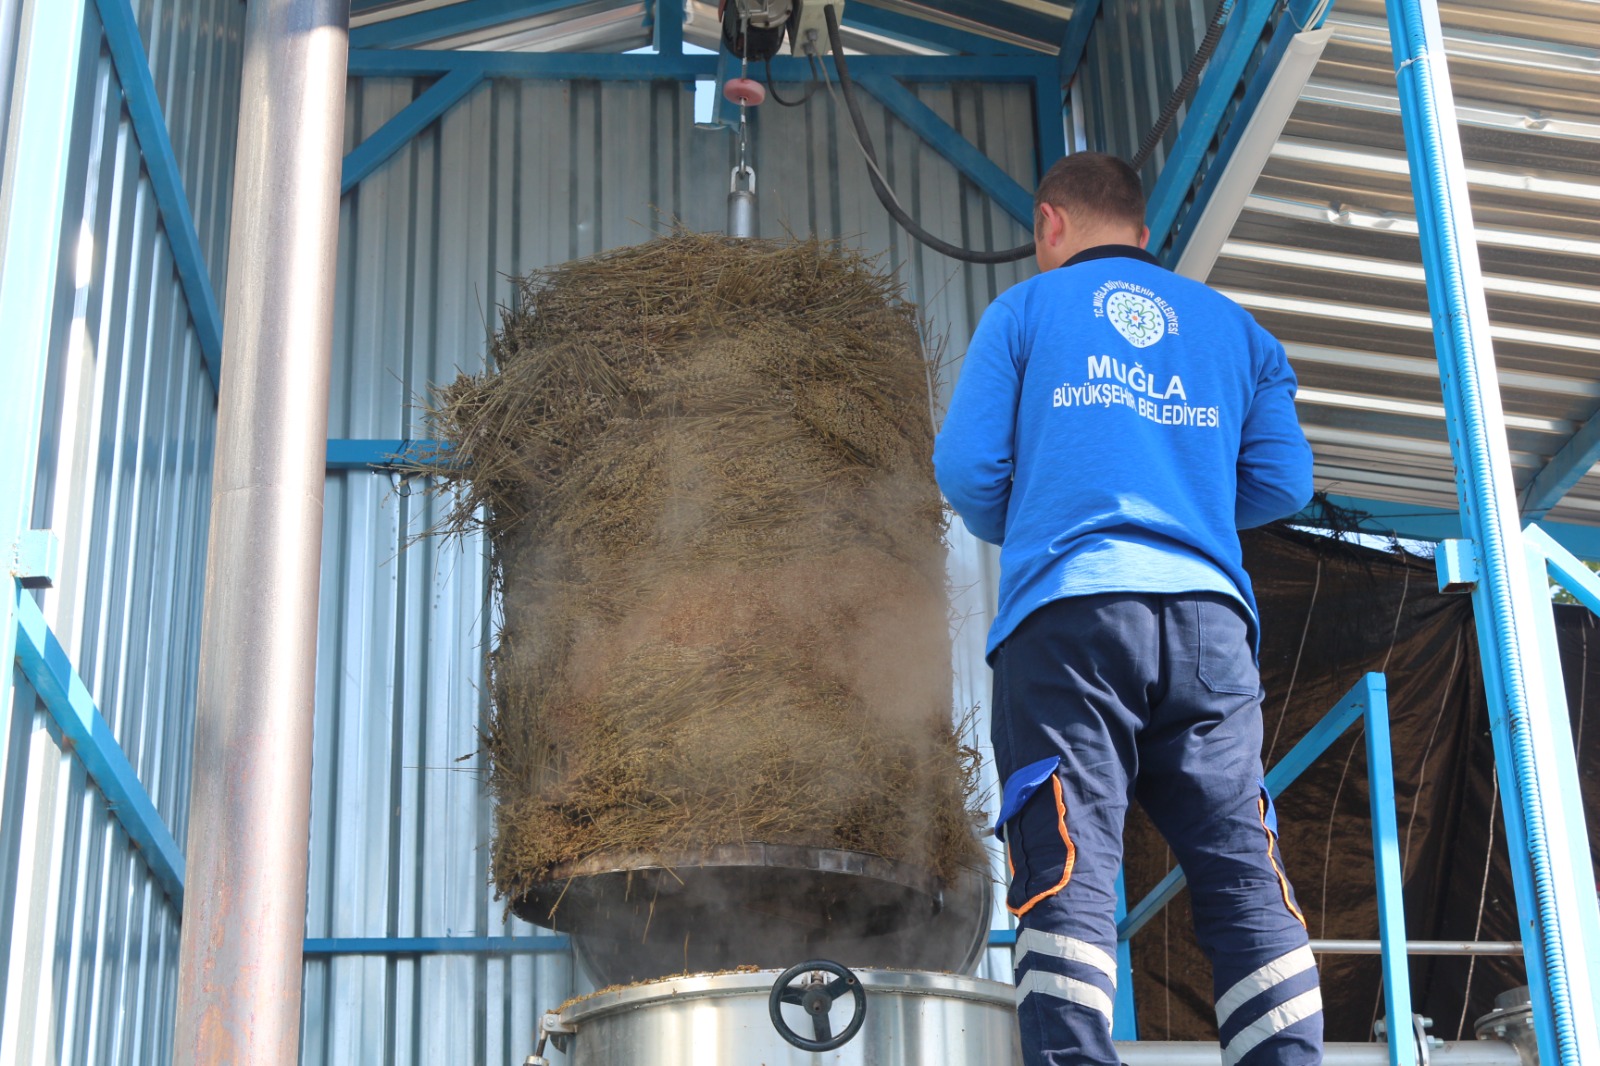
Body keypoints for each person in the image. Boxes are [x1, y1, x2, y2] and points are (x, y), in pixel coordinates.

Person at [933, 152, 1321, 1066]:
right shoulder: (1237, 330)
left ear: (1048, 226)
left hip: (1070, 622)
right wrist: (1182, 502)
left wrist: (1037, 514)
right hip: (1210, 629)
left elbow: (966, 472)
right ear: (1145, 236)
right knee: (1239, 866)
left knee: (1068, 856)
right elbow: (1283, 481)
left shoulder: (1024, 312)